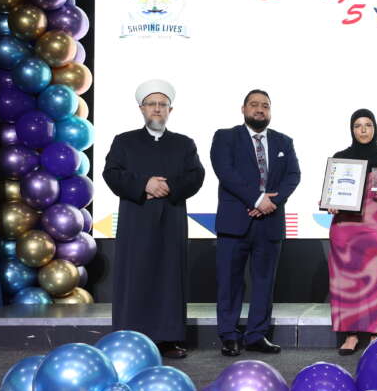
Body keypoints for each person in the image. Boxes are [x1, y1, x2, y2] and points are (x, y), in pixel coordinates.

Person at [102, 80, 205, 359]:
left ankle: (169, 338)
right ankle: (130, 338)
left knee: (169, 277)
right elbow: (111, 173)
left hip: (171, 219)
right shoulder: (124, 141)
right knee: (135, 276)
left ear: (170, 109)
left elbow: (196, 175)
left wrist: (168, 187)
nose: (157, 109)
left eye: (162, 104)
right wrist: (144, 184)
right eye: (151, 104)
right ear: (141, 108)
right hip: (136, 219)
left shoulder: (184, 143)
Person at [210, 89, 300, 357]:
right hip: (234, 222)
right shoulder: (225, 137)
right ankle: (229, 335)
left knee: (264, 282)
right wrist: (257, 199)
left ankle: (256, 335)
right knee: (229, 282)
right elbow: (225, 172)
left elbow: (293, 175)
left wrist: (271, 202)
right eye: (254, 105)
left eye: (265, 106)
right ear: (243, 109)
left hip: (270, 222)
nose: (260, 109)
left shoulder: (284, 142)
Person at [327, 109, 377, 355]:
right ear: (352, 130)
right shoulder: (340, 158)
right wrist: (330, 203)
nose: (363, 130)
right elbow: (330, 194)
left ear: (375, 128)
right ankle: (351, 334)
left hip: (375, 226)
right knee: (346, 282)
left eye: (368, 124)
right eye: (358, 125)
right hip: (345, 228)